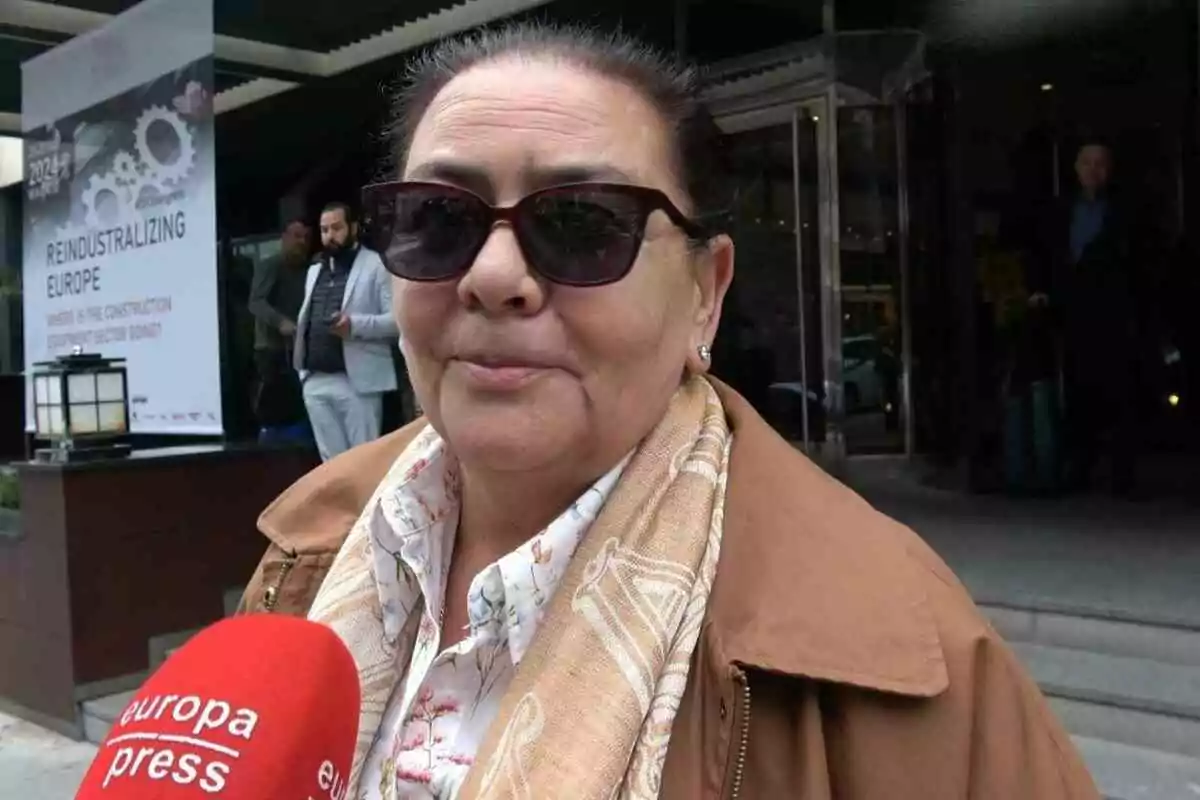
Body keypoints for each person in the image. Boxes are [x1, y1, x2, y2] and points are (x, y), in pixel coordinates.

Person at [240, 24, 1098, 799]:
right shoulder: (306, 556)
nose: (494, 276)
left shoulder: (901, 664)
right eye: (436, 218)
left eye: (580, 223)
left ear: (705, 293)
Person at [1031, 139, 1144, 495]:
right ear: (1076, 168)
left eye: (1101, 163)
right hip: (1074, 312)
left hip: (1113, 313)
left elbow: (1137, 264)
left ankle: (1121, 474)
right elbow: (1048, 255)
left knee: (1119, 392)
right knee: (1079, 391)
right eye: (1087, 163)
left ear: (1109, 170)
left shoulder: (1123, 212)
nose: (1093, 170)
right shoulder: (1062, 210)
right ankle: (1080, 467)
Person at [295, 201, 400, 461]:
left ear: (352, 228)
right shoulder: (314, 270)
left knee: (363, 463)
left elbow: (398, 321)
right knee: (330, 467)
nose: (330, 236)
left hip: (357, 381)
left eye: (336, 228)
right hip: (315, 379)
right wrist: (304, 376)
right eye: (324, 230)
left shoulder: (376, 264)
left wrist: (354, 326)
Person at [248, 218, 311, 443]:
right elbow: (256, 302)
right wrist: (280, 322)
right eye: (296, 236)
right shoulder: (270, 265)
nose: (301, 242)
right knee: (273, 406)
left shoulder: (308, 269)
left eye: (305, 237)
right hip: (271, 348)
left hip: (298, 346)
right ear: (284, 238)